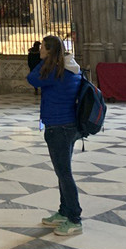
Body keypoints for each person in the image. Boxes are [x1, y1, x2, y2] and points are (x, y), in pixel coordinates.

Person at [27, 35, 83, 236]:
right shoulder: (71, 69)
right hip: (69, 125)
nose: (39, 50)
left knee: (64, 174)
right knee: (62, 171)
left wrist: (42, 61)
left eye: (42, 47)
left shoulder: (53, 71)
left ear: (50, 51)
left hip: (58, 127)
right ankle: (64, 211)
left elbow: (32, 78)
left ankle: (74, 218)